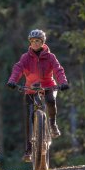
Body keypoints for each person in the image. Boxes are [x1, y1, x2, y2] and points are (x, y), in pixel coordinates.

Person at [7, 29, 69, 162]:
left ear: (42, 42)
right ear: (30, 42)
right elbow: (18, 69)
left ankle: (52, 124)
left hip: (48, 86)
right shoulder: (25, 57)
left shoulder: (50, 57)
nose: (35, 43)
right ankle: (28, 150)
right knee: (29, 117)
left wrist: (63, 82)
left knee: (50, 100)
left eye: (37, 41)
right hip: (30, 88)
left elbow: (58, 70)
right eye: (32, 41)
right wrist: (12, 80)